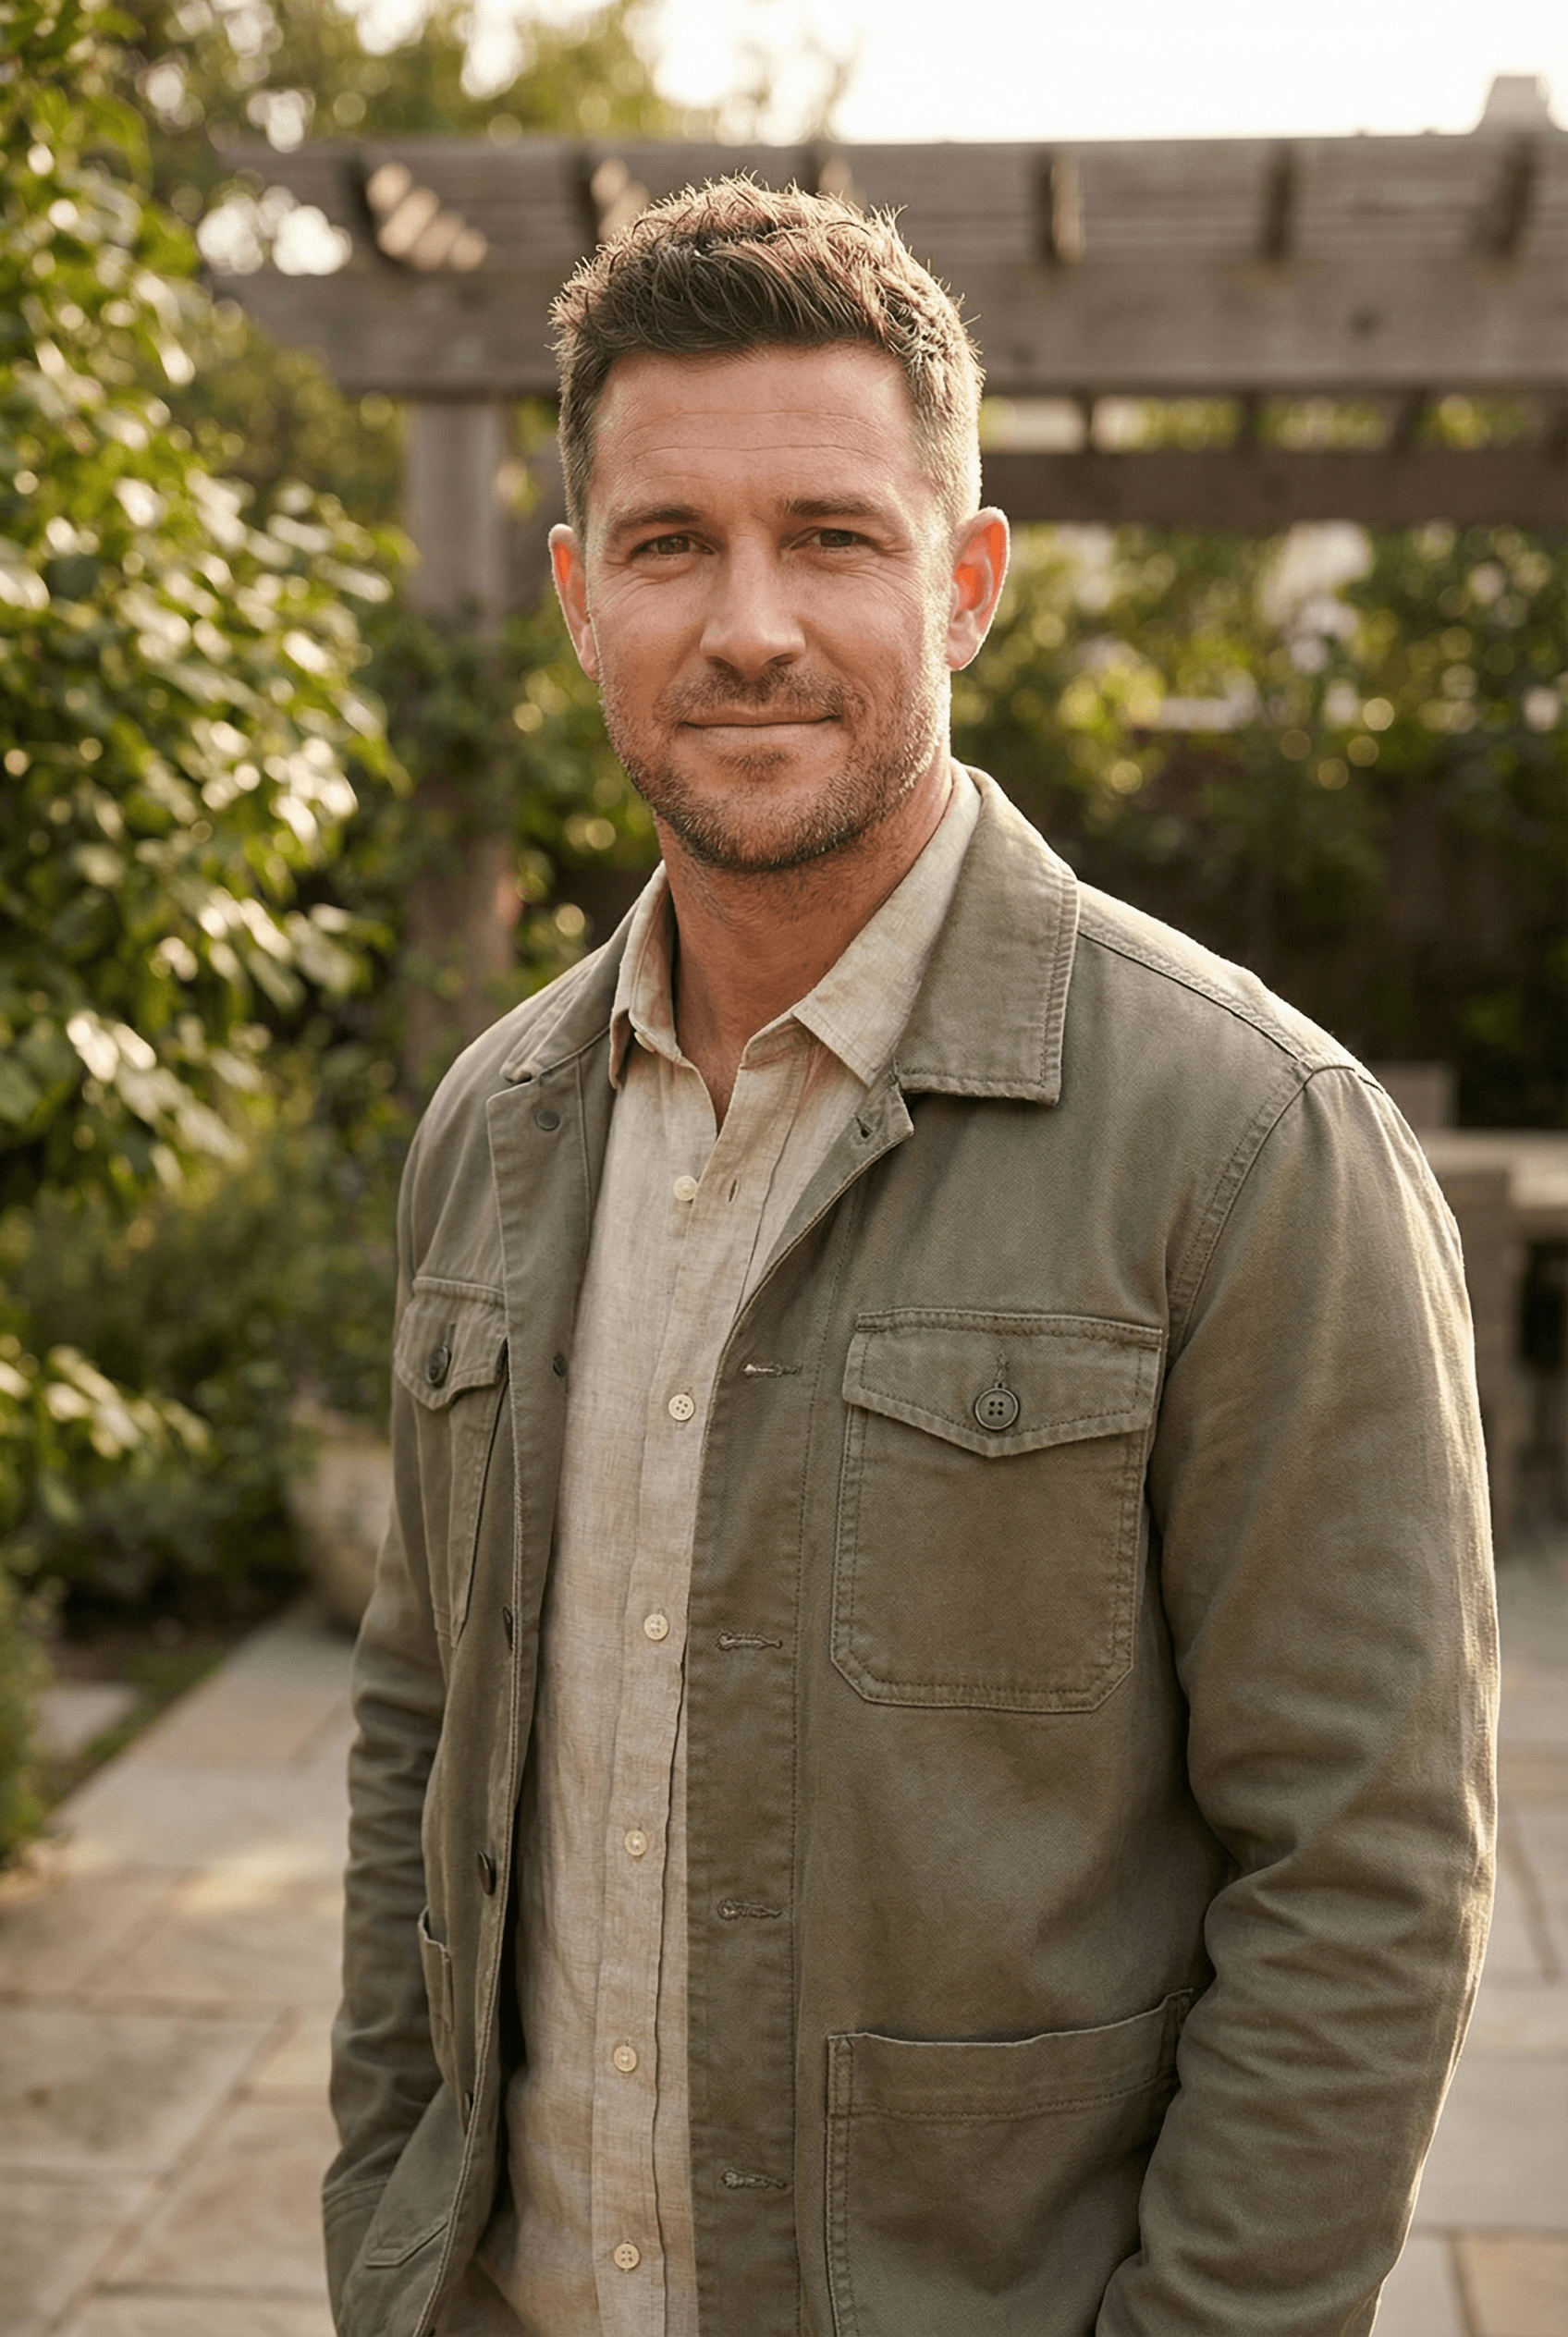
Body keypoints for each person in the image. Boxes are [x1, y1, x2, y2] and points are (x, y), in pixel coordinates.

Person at [323, 177, 1497, 2337]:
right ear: (580, 597)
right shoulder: (492, 1128)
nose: (746, 621)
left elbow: (1362, 1872)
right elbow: (419, 1730)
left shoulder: (1248, 1145)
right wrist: (386, 2233)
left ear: (962, 586)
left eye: (829, 537)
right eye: (671, 543)